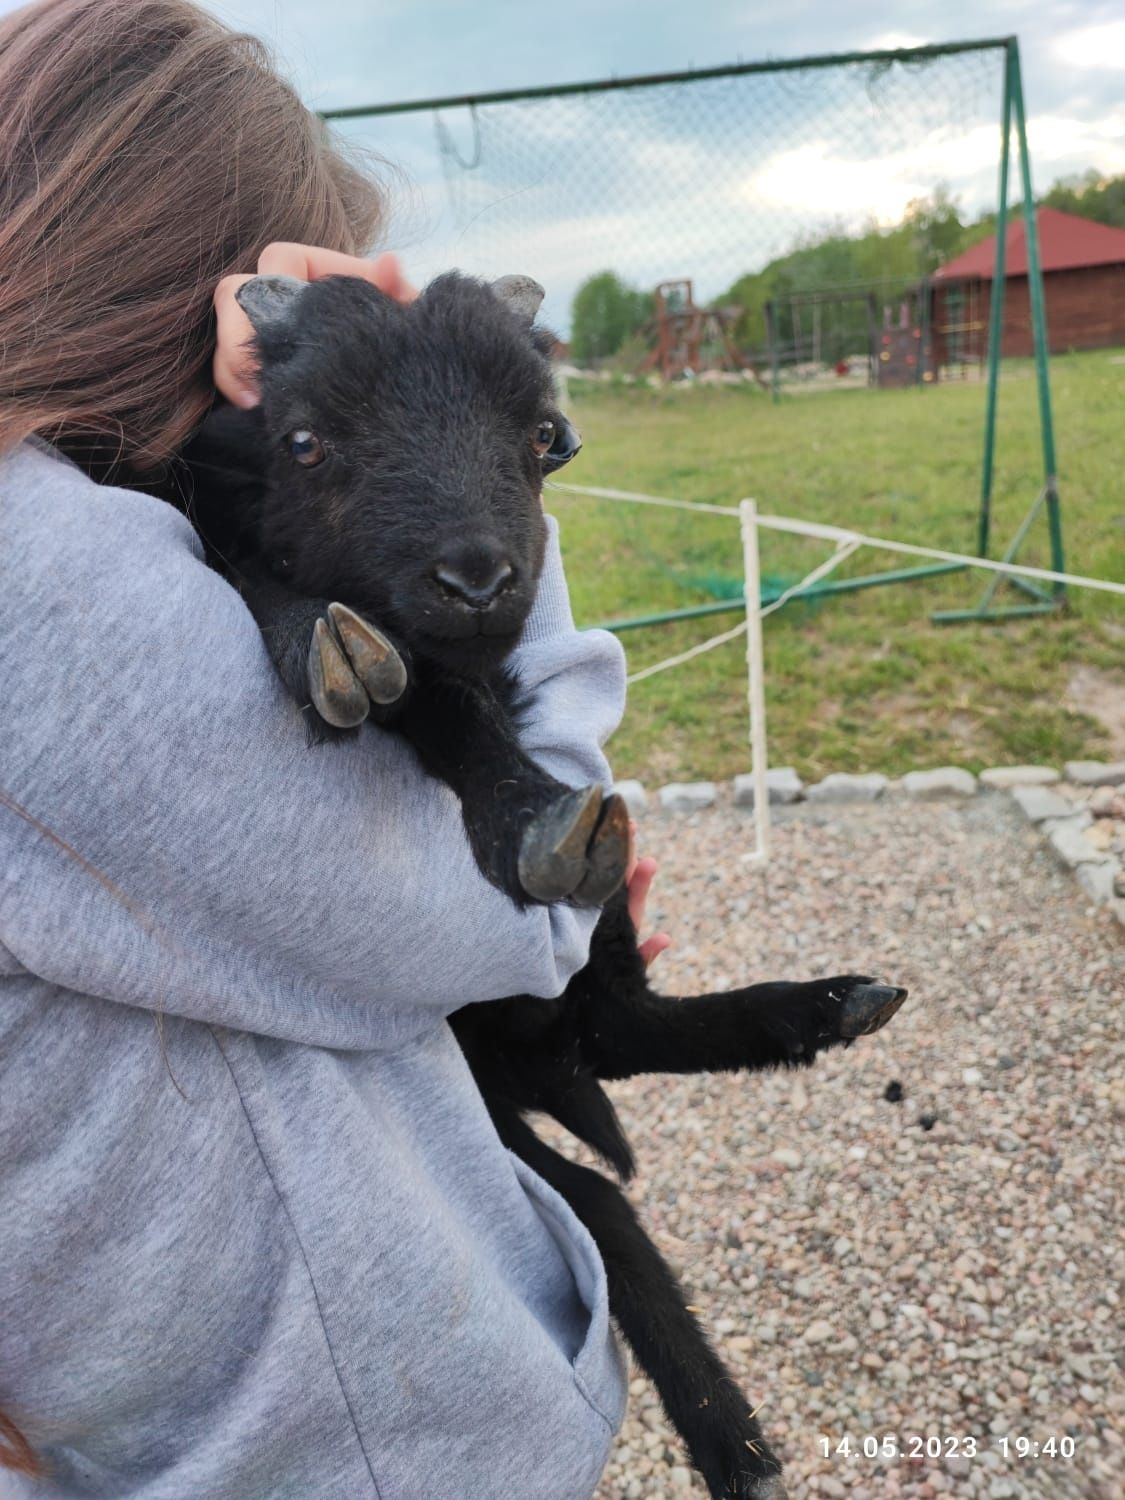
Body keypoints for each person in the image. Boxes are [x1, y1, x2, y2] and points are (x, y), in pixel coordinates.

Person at [0, 2, 667, 1494]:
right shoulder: (43, 587)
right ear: (208, 310)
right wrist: (456, 385)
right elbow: (520, 912)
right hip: (327, 1449)